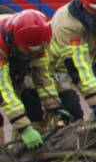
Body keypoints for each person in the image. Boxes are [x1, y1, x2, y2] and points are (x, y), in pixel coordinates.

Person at [0, 10, 62, 147]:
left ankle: (18, 152)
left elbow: (43, 78)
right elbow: (3, 90)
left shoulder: (38, 40)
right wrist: (25, 128)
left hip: (9, 66)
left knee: (29, 110)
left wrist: (54, 107)